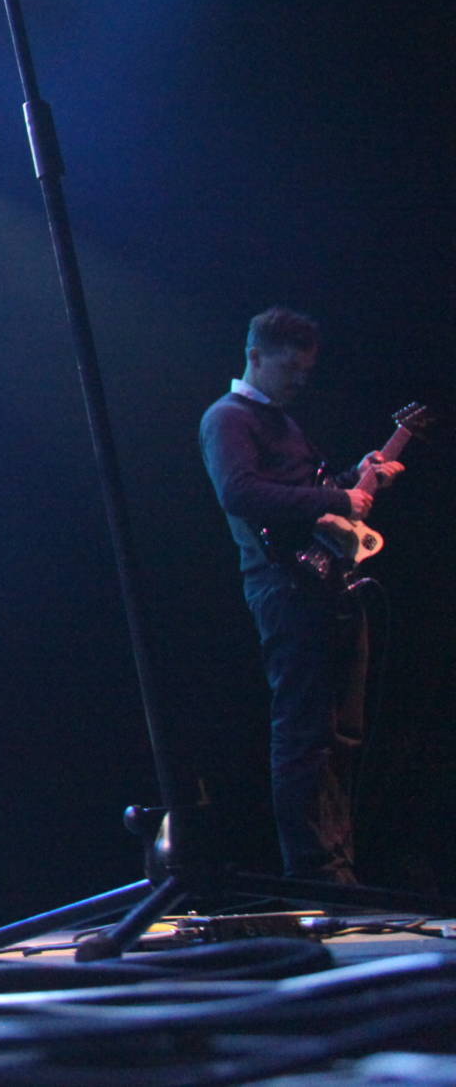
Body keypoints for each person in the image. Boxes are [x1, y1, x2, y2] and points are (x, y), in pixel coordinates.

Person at [200, 306, 400, 884]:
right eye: (290, 370)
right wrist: (337, 502)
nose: (299, 382)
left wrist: (354, 480)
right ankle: (317, 876)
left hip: (324, 583)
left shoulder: (283, 423)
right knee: (305, 733)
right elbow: (239, 492)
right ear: (255, 356)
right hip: (284, 587)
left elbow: (303, 495)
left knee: (339, 733)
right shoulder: (229, 417)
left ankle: (338, 871)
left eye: (306, 372)